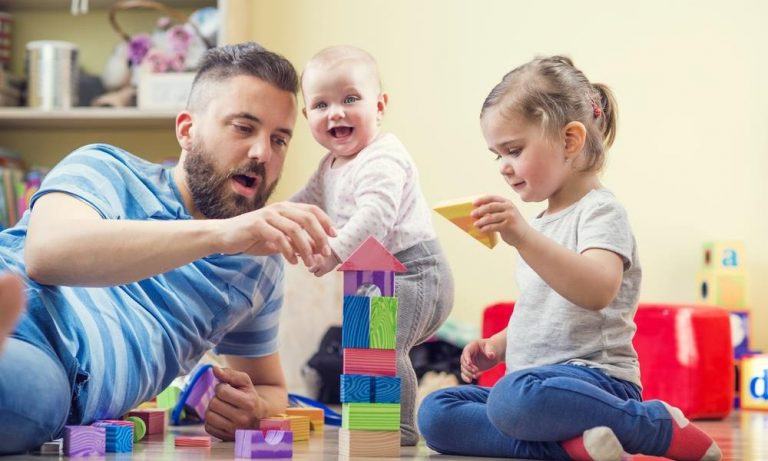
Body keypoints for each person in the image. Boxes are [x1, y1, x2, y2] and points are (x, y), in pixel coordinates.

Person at [0, 42, 337, 454]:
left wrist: (254, 408)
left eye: (280, 139)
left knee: (21, 399)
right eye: (243, 127)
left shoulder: (257, 265)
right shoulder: (106, 167)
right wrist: (219, 234)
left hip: (55, 373)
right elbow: (47, 255)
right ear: (186, 130)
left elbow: (271, 387)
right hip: (18, 298)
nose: (261, 153)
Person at [417, 56, 721, 461]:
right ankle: (572, 448)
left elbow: (597, 290)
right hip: (534, 384)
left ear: (569, 140)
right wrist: (498, 346)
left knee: (512, 400)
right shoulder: (540, 224)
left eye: (513, 150)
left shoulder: (600, 211)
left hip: (597, 384)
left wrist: (522, 236)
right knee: (437, 413)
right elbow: (542, 307)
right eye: (497, 156)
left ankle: (651, 425)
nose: (505, 168)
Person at [290, 45, 454, 446]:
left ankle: (398, 428)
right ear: (307, 115)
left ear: (379, 105)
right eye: (321, 104)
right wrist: (268, 221)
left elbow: (375, 216)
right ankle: (367, 423)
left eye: (350, 99)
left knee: (384, 346)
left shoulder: (383, 157)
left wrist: (332, 251)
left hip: (416, 271)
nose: (337, 112)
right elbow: (301, 205)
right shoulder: (328, 167)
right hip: (371, 273)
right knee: (360, 349)